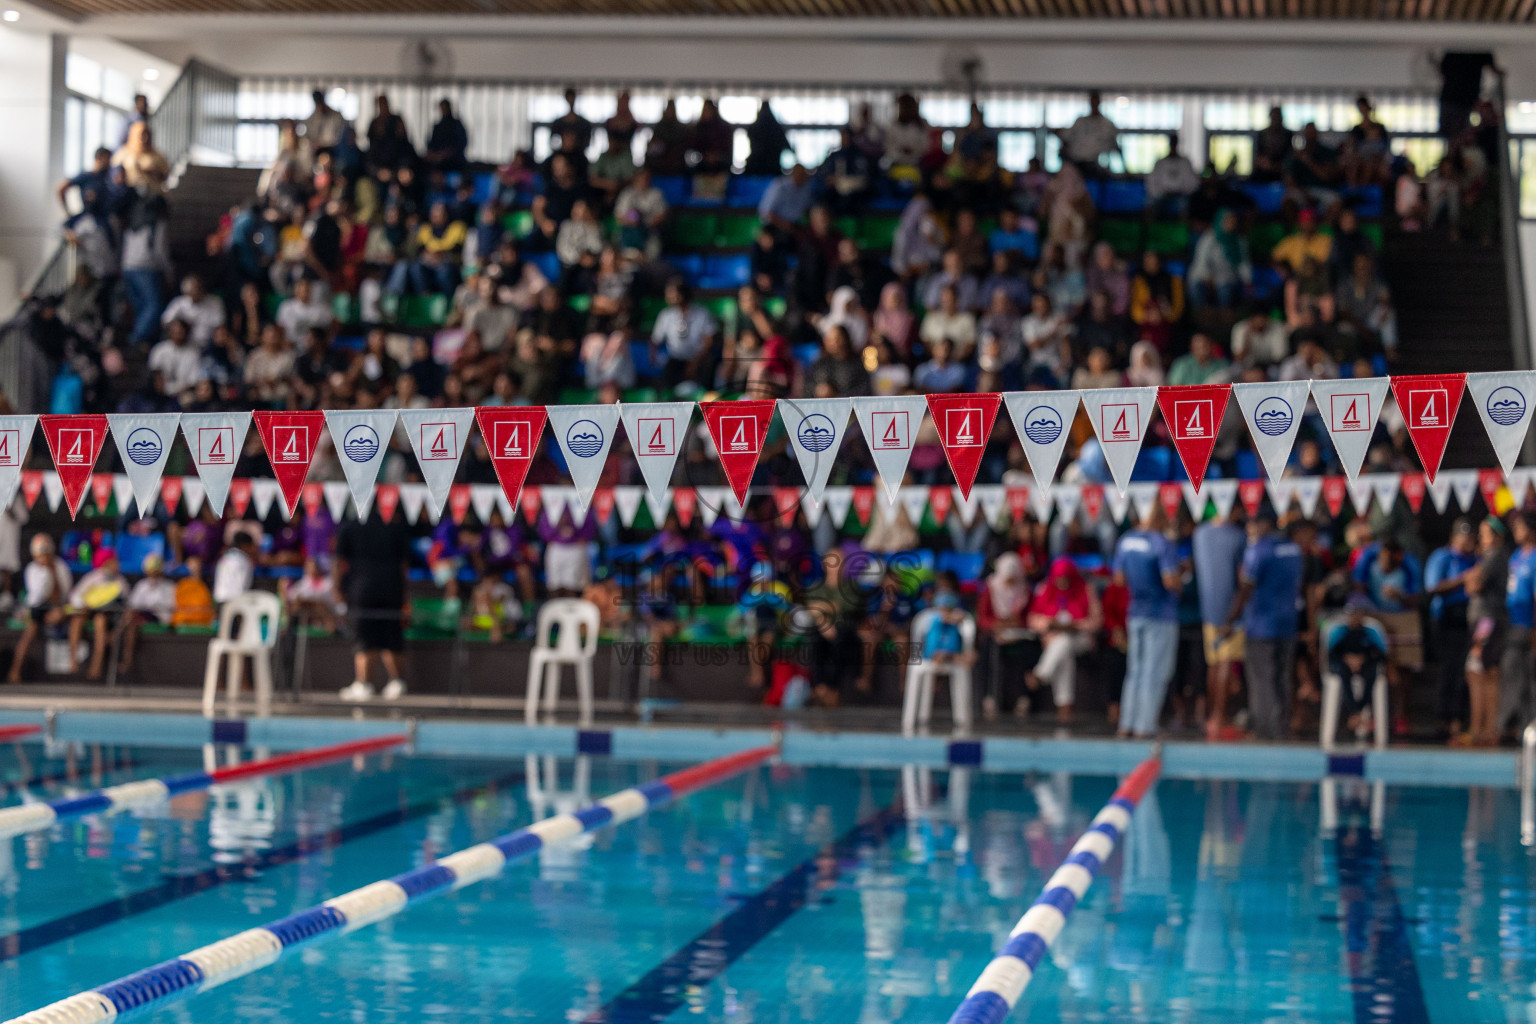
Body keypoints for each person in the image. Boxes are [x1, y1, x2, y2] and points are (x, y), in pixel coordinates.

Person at [1224, 511, 1304, 741]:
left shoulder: (1258, 551)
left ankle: (1265, 732)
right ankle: (1282, 728)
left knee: (1262, 681)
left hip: (1262, 626)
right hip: (1288, 624)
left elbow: (1245, 590)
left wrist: (1230, 620)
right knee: (1283, 678)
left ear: (1265, 524)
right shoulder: (1294, 550)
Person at [1112, 505, 1184, 738]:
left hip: (1136, 613)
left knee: (1134, 671)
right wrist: (1182, 577)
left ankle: (1127, 724)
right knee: (1155, 671)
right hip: (1160, 614)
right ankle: (1145, 726)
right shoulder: (1160, 543)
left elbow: (1119, 579)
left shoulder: (1125, 541)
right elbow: (1170, 581)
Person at [335, 509, 412, 702]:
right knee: (391, 634)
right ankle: (397, 682)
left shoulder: (351, 526)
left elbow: (338, 561)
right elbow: (404, 565)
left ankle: (363, 683)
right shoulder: (394, 526)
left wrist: (336, 589)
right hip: (392, 587)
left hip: (363, 588)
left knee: (364, 636)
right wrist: (405, 594)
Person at [1023, 557, 1101, 723]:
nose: (1062, 583)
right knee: (1064, 650)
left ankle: (1041, 674)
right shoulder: (1045, 589)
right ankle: (1065, 708)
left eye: (1065, 579)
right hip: (1054, 639)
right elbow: (1033, 619)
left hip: (1081, 639)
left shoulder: (1086, 590)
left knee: (1064, 642)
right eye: (1059, 580)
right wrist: (1049, 623)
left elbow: (1096, 620)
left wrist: (1077, 625)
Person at [1193, 504, 1247, 739]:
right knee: (1226, 662)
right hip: (1230, 613)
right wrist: (1235, 614)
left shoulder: (1200, 533)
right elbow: (1243, 577)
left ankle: (1210, 718)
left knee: (1213, 664)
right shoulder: (1238, 536)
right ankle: (1218, 718)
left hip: (1208, 610)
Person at [1425, 518, 1478, 737]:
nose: (1467, 542)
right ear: (1453, 538)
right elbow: (1433, 588)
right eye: (1463, 538)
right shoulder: (1442, 557)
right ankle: (1443, 719)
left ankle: (1458, 718)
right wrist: (1462, 580)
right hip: (1446, 618)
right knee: (1449, 670)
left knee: (1464, 671)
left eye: (1470, 538)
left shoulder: (1475, 559)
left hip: (1467, 618)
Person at [1462, 515, 1510, 746]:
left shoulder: (1493, 556)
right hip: (1489, 620)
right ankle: (1486, 729)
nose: (1481, 538)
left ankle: (1480, 729)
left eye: (1485, 534)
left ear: (1497, 536)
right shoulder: (1492, 557)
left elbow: (1473, 585)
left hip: (1486, 622)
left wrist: (1470, 577)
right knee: (1486, 672)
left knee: (1478, 672)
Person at [7, 535, 72, 684]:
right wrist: (46, 572)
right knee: (30, 632)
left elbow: (64, 593)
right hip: (38, 608)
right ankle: (15, 670)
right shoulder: (32, 569)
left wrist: (53, 572)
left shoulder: (60, 566)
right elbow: (37, 596)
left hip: (57, 608)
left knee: (65, 616)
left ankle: (73, 669)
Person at [1328, 597, 1390, 739]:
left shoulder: (1370, 632)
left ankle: (1357, 712)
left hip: (1365, 666)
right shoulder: (1340, 632)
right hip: (1346, 667)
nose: (1355, 617)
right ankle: (1356, 712)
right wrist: (1348, 659)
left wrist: (1362, 660)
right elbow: (1332, 654)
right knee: (1343, 674)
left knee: (1372, 674)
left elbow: (1380, 654)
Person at [1500, 512, 1536, 737]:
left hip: (1528, 626)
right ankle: (1521, 725)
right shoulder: (1516, 556)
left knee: (1531, 678)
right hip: (1512, 625)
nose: (1516, 531)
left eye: (1520, 527)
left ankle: (1530, 724)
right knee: (1515, 675)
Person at [64, 549, 125, 680]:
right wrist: (84, 605)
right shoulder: (93, 577)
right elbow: (76, 595)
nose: (117, 565)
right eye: (114, 562)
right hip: (87, 611)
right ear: (105, 563)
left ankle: (96, 665)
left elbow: (126, 600)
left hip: (106, 615)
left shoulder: (120, 581)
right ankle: (73, 660)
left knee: (100, 621)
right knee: (77, 620)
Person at [650, 278, 718, 392]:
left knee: (708, 365)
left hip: (698, 359)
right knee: (666, 377)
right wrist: (654, 358)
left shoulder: (702, 314)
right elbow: (655, 340)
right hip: (675, 359)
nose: (670, 297)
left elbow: (709, 340)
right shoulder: (666, 315)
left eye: (673, 293)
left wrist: (695, 361)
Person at [118, 552, 176, 675]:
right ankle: (127, 659)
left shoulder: (170, 587)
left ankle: (115, 634)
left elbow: (168, 609)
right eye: (151, 572)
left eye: (156, 572)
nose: (153, 575)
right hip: (139, 617)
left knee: (132, 616)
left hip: (159, 617)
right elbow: (132, 605)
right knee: (131, 620)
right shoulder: (142, 585)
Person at [1188, 209, 1250, 308]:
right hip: (1205, 275)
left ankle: (1225, 315)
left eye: (1233, 222)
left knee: (1225, 290)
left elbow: (1243, 262)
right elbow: (1201, 260)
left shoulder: (1239, 240)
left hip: (1226, 276)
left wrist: (1247, 279)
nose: (1231, 224)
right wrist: (1208, 277)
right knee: (1196, 285)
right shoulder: (1209, 237)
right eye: (1228, 221)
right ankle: (1201, 314)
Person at [1056, 90, 1120, 177]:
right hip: (1078, 164)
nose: (1094, 104)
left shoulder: (1107, 125)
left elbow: (1115, 145)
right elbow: (1065, 136)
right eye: (1092, 102)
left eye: (1096, 101)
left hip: (1098, 164)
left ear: (1099, 102)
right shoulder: (1080, 122)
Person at [424, 98, 468, 173]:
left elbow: (462, 142)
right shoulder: (438, 127)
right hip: (439, 161)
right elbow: (431, 143)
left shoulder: (456, 125)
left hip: (455, 162)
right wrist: (434, 154)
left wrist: (449, 152)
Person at [213, 535, 257, 604]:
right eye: (251, 546)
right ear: (244, 545)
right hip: (235, 602)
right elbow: (244, 584)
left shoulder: (224, 558)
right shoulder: (244, 560)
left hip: (220, 600)